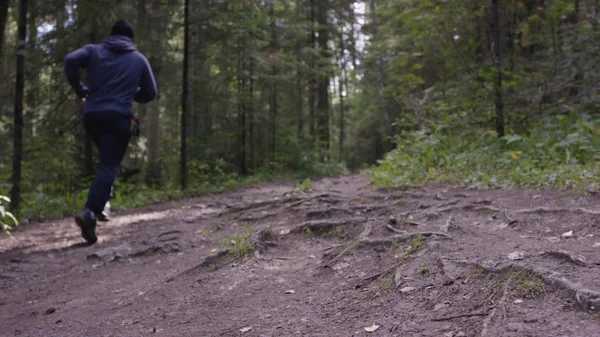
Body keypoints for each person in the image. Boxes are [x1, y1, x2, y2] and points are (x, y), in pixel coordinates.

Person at [64, 19, 157, 244]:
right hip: (118, 117)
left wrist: (80, 89)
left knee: (106, 163)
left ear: (111, 34)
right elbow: (150, 92)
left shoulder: (93, 51)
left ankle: (104, 197)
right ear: (130, 39)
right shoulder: (138, 59)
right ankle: (91, 211)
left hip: (92, 115)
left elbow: (70, 60)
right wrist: (129, 92)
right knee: (109, 165)